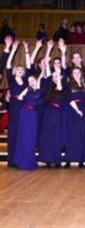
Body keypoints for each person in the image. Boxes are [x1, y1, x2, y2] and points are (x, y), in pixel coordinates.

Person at [6, 39, 31, 167]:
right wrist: (13, 50)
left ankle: (20, 158)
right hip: (14, 107)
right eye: (18, 69)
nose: (20, 70)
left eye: (22, 70)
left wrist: (27, 51)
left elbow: (29, 66)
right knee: (14, 132)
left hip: (24, 108)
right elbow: (8, 64)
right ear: (15, 71)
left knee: (22, 133)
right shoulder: (11, 80)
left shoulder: (26, 81)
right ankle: (12, 160)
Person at [13, 74, 43, 170]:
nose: (31, 83)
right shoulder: (28, 91)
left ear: (36, 81)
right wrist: (27, 88)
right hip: (25, 113)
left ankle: (29, 160)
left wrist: (37, 85)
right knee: (23, 136)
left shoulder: (40, 91)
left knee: (31, 137)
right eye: (29, 81)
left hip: (33, 115)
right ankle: (22, 161)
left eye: (32, 80)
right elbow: (19, 98)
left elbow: (36, 97)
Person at [64, 67, 85, 169]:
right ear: (72, 74)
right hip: (73, 110)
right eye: (74, 72)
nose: (77, 74)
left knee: (82, 135)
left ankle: (81, 160)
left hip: (84, 110)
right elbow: (70, 98)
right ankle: (69, 160)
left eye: (78, 72)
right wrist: (77, 110)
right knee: (72, 135)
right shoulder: (69, 85)